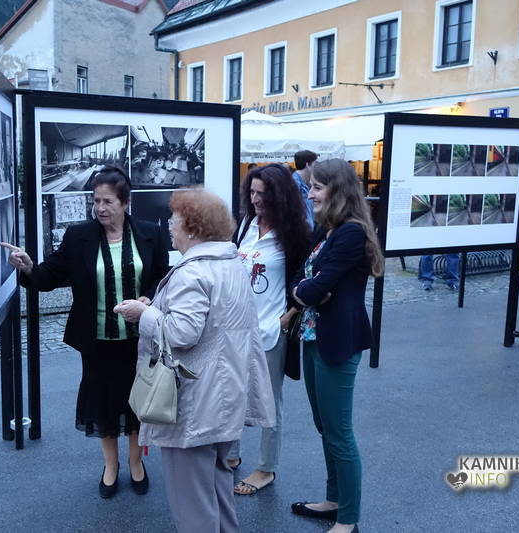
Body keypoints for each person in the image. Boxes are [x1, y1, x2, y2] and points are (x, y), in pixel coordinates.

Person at [2, 166, 169, 498]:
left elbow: (162, 276)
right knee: (103, 403)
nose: (100, 208)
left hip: (139, 340)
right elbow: (50, 275)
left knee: (139, 402)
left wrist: (149, 298)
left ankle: (136, 462)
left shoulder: (150, 233)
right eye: (96, 201)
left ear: (125, 203)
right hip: (97, 341)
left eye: (108, 201)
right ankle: (111, 465)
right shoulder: (79, 236)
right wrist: (29, 268)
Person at [114, 189, 275, 533]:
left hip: (194, 403)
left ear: (192, 227)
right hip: (224, 396)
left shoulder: (193, 272)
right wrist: (157, 308)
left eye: (174, 219)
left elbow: (181, 333)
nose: (169, 226)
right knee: (218, 488)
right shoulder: (231, 264)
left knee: (193, 504)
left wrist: (143, 313)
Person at [290, 159, 384, 533]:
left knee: (339, 432)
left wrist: (308, 290)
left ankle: (348, 518)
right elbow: (301, 281)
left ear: (338, 190)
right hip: (313, 337)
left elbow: (314, 287)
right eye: (311, 186)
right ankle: (333, 500)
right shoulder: (326, 230)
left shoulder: (351, 233)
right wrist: (308, 290)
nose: (310, 193)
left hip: (338, 341)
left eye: (317, 187)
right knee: (324, 425)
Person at [227, 163, 313, 495]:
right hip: (238, 328)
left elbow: (307, 279)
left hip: (272, 329)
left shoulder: (295, 233)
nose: (255, 199)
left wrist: (289, 316)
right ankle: (231, 454)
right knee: (234, 392)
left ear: (279, 195)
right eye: (252, 192)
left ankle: (266, 468)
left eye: (262, 193)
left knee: (269, 401)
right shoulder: (246, 225)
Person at [293, 150, 318, 230]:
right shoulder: (295, 183)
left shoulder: (302, 183)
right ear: (307, 165)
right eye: (315, 164)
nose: (316, 167)